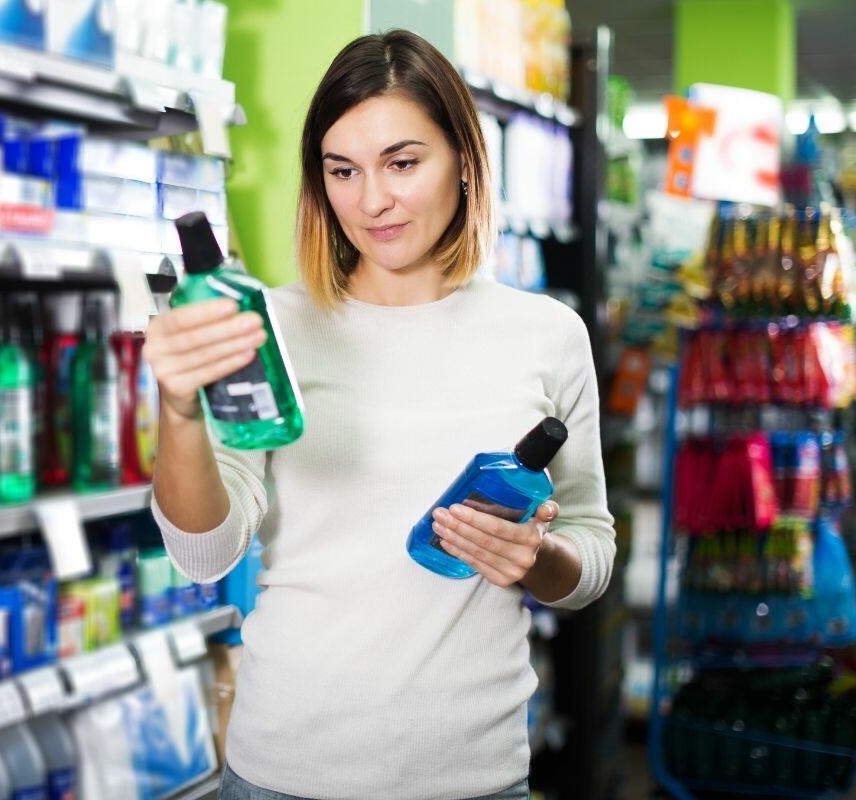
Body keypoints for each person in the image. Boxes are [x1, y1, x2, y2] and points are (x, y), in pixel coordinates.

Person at [144, 29, 615, 800]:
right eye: (343, 171)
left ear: (464, 160)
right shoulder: (274, 327)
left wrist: (536, 560)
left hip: (476, 778)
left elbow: (589, 553)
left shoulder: (547, 335)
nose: (372, 200)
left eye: (402, 162)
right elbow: (204, 555)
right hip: (284, 774)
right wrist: (178, 410)